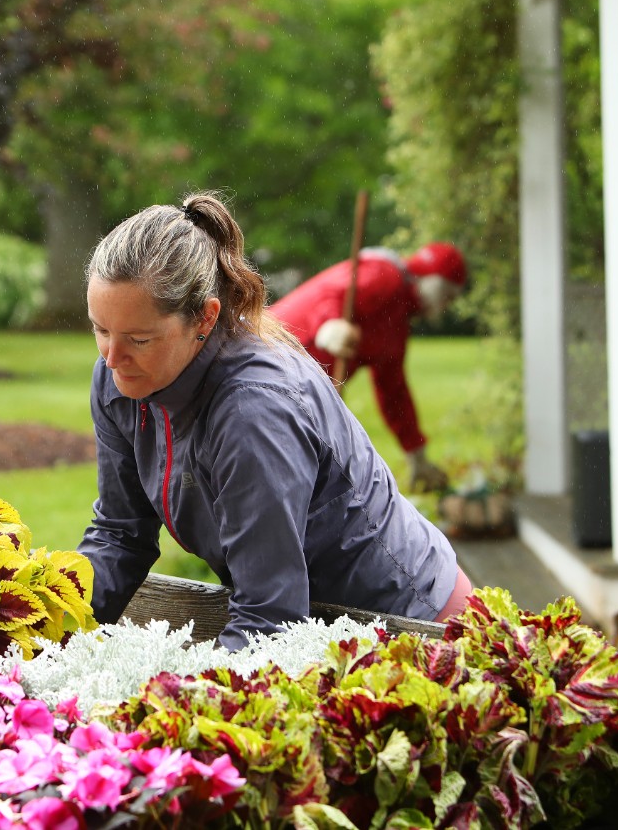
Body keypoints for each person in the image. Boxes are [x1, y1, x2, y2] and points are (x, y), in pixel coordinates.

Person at [78, 191, 471, 650]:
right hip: (309, 625)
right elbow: (120, 534)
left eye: (139, 339)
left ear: (205, 317)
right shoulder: (120, 384)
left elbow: (268, 618)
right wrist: (48, 627)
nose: (112, 358)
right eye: (100, 330)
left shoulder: (252, 412)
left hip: (411, 625)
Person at [268, 242, 468, 493]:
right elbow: (332, 294)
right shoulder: (385, 276)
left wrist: (416, 454)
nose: (445, 307)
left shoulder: (397, 321)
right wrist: (328, 324)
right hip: (274, 357)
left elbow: (393, 392)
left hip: (299, 387)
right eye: (447, 297)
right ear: (434, 284)